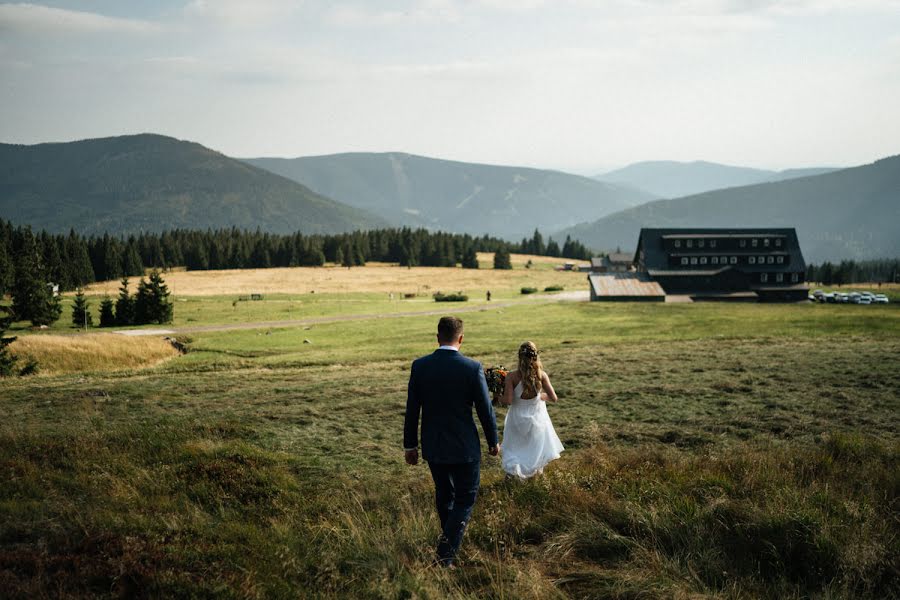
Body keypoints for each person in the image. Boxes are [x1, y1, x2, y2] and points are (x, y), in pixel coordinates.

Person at [404, 316, 499, 567]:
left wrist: (410, 445)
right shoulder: (472, 367)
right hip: (464, 445)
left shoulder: (420, 366)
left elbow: (412, 409)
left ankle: (449, 545)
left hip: (434, 445)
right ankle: (446, 555)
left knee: (444, 495)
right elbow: (485, 409)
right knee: (466, 498)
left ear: (437, 338)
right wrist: (493, 440)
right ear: (461, 338)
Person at [499, 341, 564, 478]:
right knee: (534, 450)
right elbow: (553, 398)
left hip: (516, 420)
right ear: (535, 356)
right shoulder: (542, 375)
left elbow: (508, 401)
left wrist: (497, 397)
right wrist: (539, 397)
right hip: (537, 419)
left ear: (519, 357)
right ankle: (534, 477)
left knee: (515, 448)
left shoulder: (511, 377)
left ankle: (513, 477)